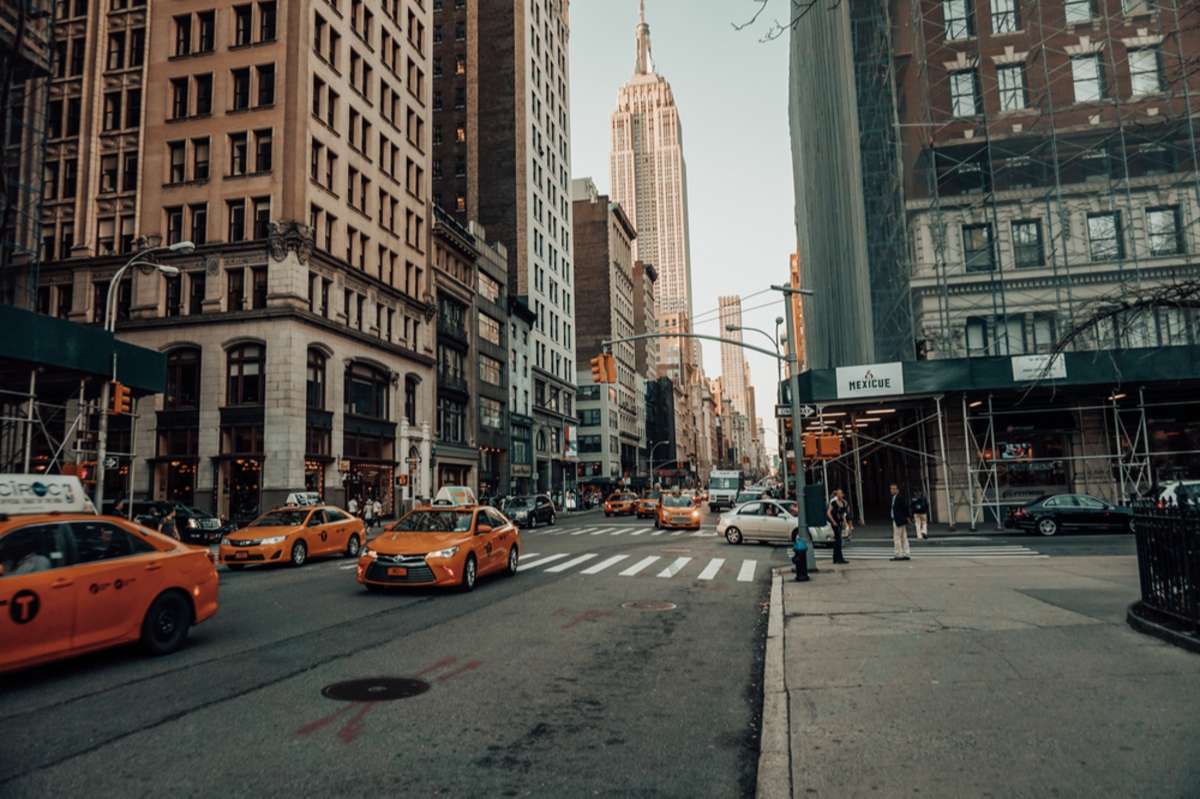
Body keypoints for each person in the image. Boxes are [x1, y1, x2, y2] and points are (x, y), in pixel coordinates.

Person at [826, 489, 849, 565]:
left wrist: (845, 522)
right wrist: (833, 521)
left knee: (838, 540)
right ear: (837, 495)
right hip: (835, 523)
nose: (840, 495)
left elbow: (843, 514)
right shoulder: (833, 503)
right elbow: (828, 513)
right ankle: (839, 558)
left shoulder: (843, 503)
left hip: (840, 522)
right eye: (838, 494)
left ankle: (836, 558)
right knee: (838, 540)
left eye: (841, 493)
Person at [889, 484, 911, 561]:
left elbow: (905, 508)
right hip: (898, 519)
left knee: (897, 537)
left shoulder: (899, 498)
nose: (892, 490)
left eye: (894, 489)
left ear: (897, 490)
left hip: (899, 520)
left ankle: (899, 554)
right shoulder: (894, 498)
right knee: (903, 537)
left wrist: (908, 517)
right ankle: (906, 553)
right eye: (891, 489)